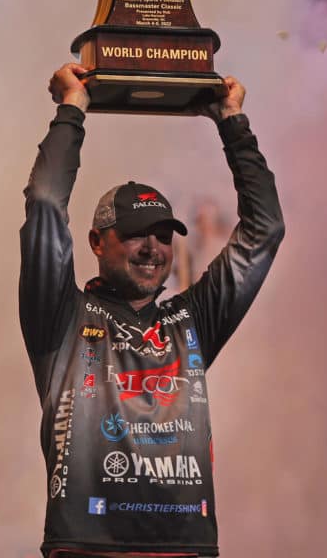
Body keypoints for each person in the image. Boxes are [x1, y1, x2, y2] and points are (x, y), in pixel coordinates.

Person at [19, 63, 285, 558]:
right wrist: (71, 111)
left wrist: (233, 123)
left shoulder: (193, 321)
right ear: (97, 241)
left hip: (187, 548)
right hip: (87, 548)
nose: (152, 247)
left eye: (164, 235)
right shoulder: (61, 316)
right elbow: (45, 204)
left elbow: (264, 230)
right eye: (137, 232)